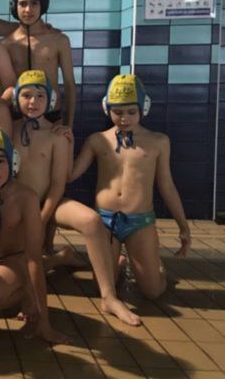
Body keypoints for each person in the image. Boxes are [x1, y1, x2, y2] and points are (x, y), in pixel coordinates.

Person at [12, 69, 141, 325]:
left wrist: (42, 217)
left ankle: (109, 296)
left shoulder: (57, 136)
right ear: (17, 98)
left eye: (39, 96)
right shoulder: (8, 129)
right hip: (17, 205)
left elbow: (59, 184)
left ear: (49, 100)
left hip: (50, 202)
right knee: (22, 256)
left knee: (91, 222)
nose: (32, 102)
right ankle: (59, 260)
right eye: (26, 95)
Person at [70, 74, 191, 300]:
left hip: (140, 221)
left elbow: (167, 186)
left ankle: (155, 267)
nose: (124, 118)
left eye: (131, 112)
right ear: (107, 108)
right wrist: (61, 142)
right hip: (104, 221)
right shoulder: (97, 140)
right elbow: (71, 175)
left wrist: (183, 226)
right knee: (103, 288)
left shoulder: (158, 141)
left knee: (153, 291)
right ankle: (119, 260)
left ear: (143, 108)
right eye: (118, 112)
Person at [0, 127, 69, 343]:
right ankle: (58, 259)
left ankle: (32, 279)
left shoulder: (25, 197)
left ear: (13, 162)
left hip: (15, 258)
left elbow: (33, 258)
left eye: (0, 161)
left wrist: (43, 322)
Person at [2, 0, 76, 128]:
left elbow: (70, 84)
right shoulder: (5, 45)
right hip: (17, 118)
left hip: (52, 117)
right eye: (23, 4)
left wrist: (69, 124)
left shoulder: (59, 40)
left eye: (34, 3)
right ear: (14, 7)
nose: (28, 9)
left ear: (43, 5)